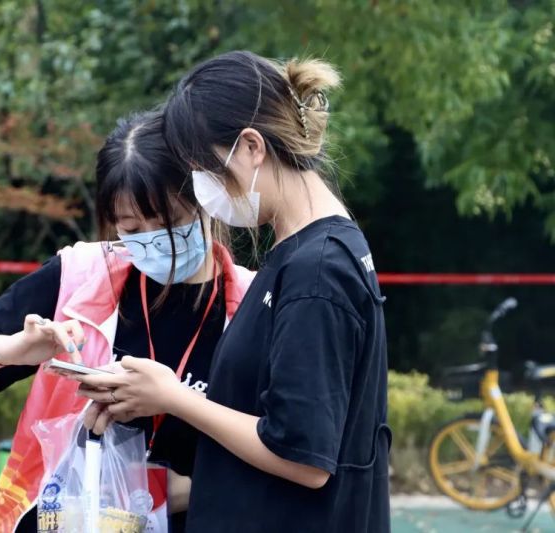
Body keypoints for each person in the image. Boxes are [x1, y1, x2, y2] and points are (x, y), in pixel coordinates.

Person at [77, 51, 390, 532]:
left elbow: (303, 457)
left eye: (203, 171)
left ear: (250, 147)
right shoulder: (299, 253)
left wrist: (175, 397)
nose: (203, 190)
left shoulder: (317, 272)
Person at [0, 110, 255, 533]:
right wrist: (13, 348)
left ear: (206, 198)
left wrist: (164, 481)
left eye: (167, 221)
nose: (152, 238)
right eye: (131, 226)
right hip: (65, 519)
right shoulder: (80, 276)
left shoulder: (252, 304)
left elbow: (281, 448)